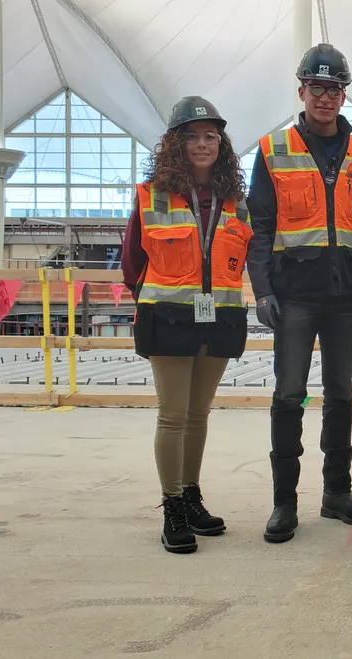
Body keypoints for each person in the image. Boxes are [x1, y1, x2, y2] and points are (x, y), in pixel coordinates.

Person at [246, 43, 352, 544]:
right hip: (295, 296)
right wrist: (262, 291)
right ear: (301, 91)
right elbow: (259, 227)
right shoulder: (273, 150)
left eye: (335, 89)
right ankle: (285, 502)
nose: (325, 97)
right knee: (288, 395)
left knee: (341, 395)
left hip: (347, 297)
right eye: (317, 88)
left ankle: (336, 493)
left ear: (344, 95)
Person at [121, 96, 253, 554]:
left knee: (199, 413)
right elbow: (131, 261)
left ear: (222, 143)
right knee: (173, 414)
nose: (202, 144)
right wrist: (160, 301)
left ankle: (192, 495)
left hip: (221, 317)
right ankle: (172, 504)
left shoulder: (235, 200)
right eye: (192, 136)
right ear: (175, 144)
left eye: (210, 136)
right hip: (168, 317)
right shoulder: (151, 195)